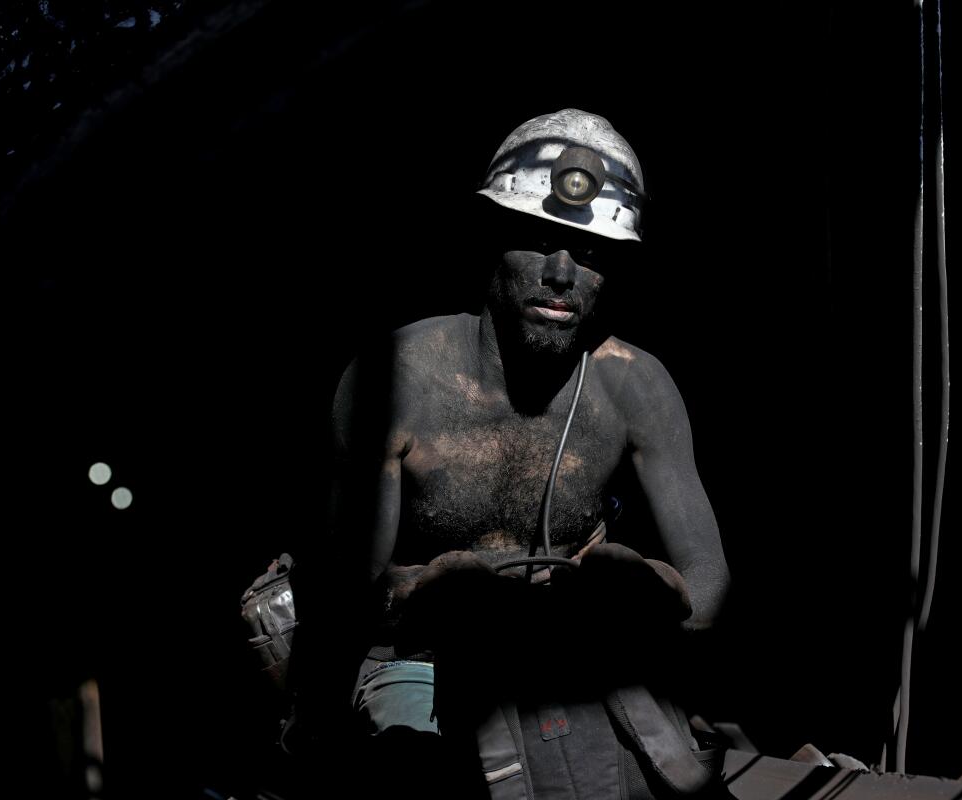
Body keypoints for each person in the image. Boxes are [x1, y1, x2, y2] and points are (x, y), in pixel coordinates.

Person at [306, 108, 731, 797]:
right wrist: (426, 591)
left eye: (590, 252)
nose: (562, 272)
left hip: (576, 660)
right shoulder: (398, 379)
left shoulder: (634, 385)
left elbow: (708, 578)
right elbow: (342, 593)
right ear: (494, 240)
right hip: (423, 660)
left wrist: (656, 590)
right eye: (538, 240)